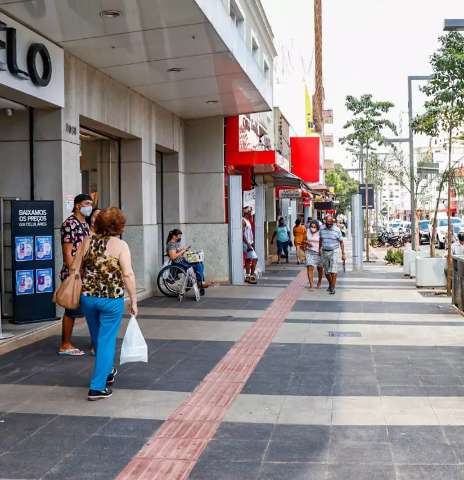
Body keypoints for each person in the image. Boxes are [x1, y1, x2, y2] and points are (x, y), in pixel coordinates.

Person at [80, 207, 138, 400]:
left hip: (88, 297)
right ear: (119, 225)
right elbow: (128, 274)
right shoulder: (120, 245)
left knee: (98, 338)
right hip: (111, 299)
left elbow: (75, 268)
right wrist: (133, 300)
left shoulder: (87, 241)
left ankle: (107, 370)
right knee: (106, 340)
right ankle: (97, 387)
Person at [58, 194, 93, 355]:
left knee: (86, 308)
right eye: (87, 203)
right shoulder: (69, 224)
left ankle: (93, 343)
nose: (89, 207)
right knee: (71, 309)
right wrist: (74, 273)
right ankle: (65, 344)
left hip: (85, 273)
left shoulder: (85, 224)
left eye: (91, 204)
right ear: (78, 205)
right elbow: (67, 253)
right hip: (74, 273)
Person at [319, 215, 346, 295]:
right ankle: (331, 284)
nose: (330, 224)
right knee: (327, 271)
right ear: (325, 222)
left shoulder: (337, 230)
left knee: (333, 269)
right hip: (324, 251)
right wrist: (319, 249)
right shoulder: (321, 229)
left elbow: (341, 242)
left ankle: (333, 288)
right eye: (328, 222)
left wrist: (343, 253)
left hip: (334, 250)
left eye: (331, 222)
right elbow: (320, 239)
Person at [305, 220, 323, 289]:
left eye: (314, 227)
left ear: (317, 227)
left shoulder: (320, 232)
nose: (313, 228)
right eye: (312, 226)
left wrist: (321, 249)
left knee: (320, 268)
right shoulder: (307, 231)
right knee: (310, 267)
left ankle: (319, 282)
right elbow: (304, 239)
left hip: (319, 252)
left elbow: (323, 241)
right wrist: (307, 242)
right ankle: (311, 285)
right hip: (309, 251)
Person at [242, 207, 258, 284]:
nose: (251, 213)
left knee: (248, 259)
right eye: (250, 211)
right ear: (246, 212)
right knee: (255, 258)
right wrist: (248, 244)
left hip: (249, 243)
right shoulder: (243, 221)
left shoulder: (248, 220)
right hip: (246, 243)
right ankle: (251, 275)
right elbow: (242, 233)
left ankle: (247, 276)